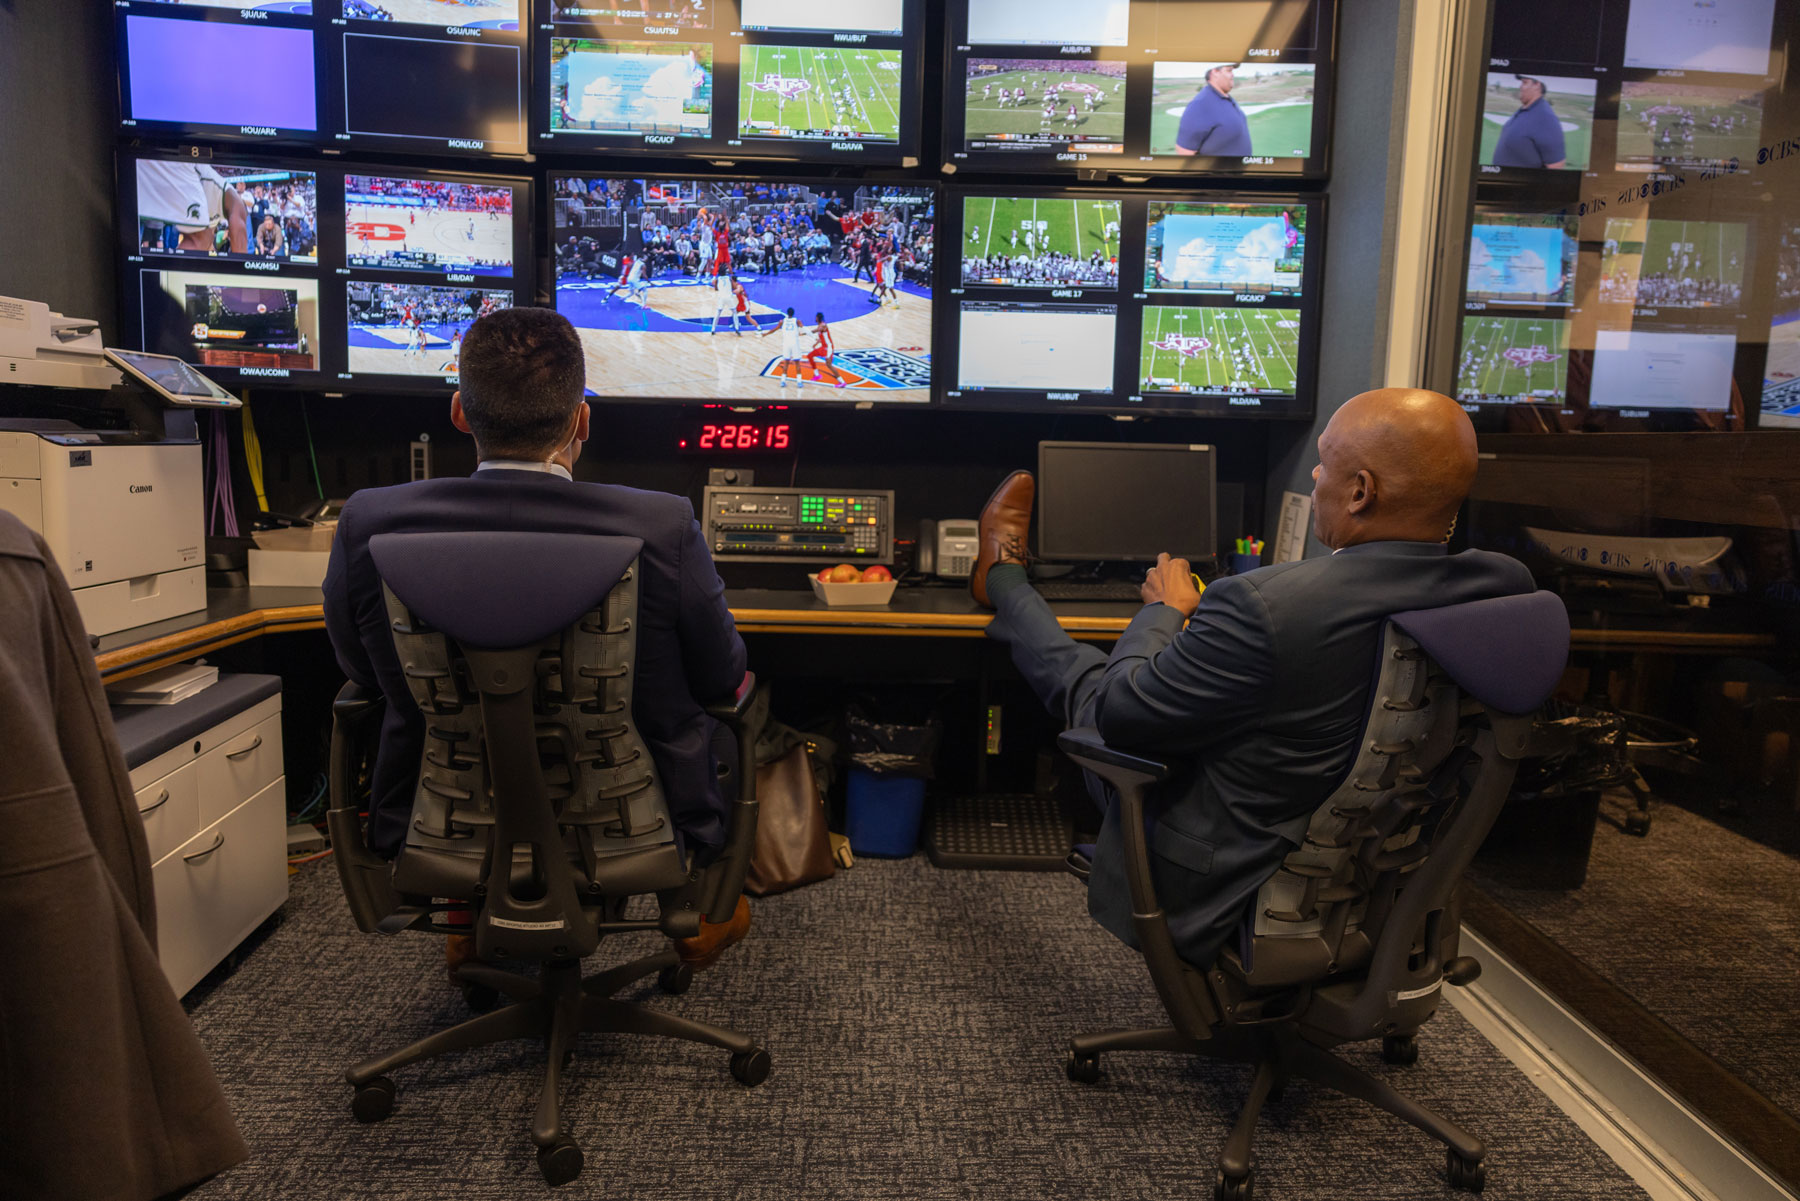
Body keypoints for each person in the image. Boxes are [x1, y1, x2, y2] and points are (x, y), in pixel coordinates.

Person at [967, 389, 1536, 968]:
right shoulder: (1506, 590)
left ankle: (1006, 579)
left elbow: (1122, 715)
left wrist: (1163, 610)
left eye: (1325, 462)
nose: (1314, 474)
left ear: (1361, 491)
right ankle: (1007, 582)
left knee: (1090, 683)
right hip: (1375, 883)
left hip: (1231, 881)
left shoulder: (1268, 605)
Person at [322, 308, 752, 979]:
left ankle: (467, 916)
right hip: (632, 823)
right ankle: (708, 912)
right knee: (736, 711)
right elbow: (722, 672)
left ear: (460, 412)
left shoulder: (369, 522)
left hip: (442, 822)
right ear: (582, 420)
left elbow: (363, 673)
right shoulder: (660, 524)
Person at [0, 511, 248, 1200]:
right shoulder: (14, 556)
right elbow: (97, 828)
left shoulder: (373, 524)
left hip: (424, 809)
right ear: (581, 424)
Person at [1174, 63, 1252, 156]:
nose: (1233, 75)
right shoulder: (1200, 105)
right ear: (1215, 72)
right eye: (1229, 70)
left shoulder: (1225, 96)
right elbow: (1184, 152)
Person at [1490, 76, 1567, 169]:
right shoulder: (1526, 108)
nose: (1520, 87)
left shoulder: (1545, 117)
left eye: (1525, 82)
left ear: (1537, 85)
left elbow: (1556, 166)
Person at [763, 305, 805, 387]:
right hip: (794, 344)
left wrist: (766, 334)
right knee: (797, 363)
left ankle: (782, 381)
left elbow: (774, 329)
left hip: (786, 344)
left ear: (787, 313)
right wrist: (803, 333)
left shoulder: (782, 321)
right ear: (793, 313)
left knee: (786, 363)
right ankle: (799, 382)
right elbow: (803, 328)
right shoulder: (797, 321)